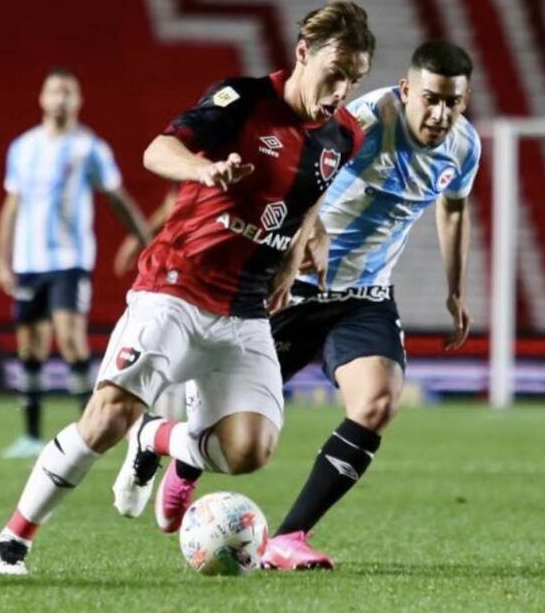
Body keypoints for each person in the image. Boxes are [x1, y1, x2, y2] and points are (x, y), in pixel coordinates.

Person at [0, 0, 374, 575]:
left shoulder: (344, 136)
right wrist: (202, 169)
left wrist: (294, 253)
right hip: (177, 286)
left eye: (354, 79)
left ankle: (159, 439)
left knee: (249, 451)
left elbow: (311, 198)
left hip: (244, 310)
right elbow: (158, 148)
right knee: (108, 414)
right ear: (303, 53)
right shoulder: (241, 100)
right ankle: (10, 542)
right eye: (335, 74)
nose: (340, 89)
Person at [116, 41, 481, 570]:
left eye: (454, 102)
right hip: (297, 288)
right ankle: (160, 439)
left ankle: (289, 538)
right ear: (406, 91)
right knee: (229, 432)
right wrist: (296, 251)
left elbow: (454, 208)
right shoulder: (363, 123)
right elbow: (307, 182)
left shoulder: (464, 147)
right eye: (431, 99)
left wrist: (456, 290)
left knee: (377, 403)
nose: (441, 113)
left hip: (364, 297)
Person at [0, 68, 151, 459]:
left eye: (67, 92)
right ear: (42, 98)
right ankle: (30, 435)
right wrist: (2, 256)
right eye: (54, 91)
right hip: (29, 261)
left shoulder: (89, 148)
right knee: (30, 347)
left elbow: (116, 197)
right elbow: (12, 203)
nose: (60, 98)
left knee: (70, 338)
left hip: (69, 259)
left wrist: (146, 241)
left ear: (78, 100)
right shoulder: (22, 147)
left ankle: (89, 429)